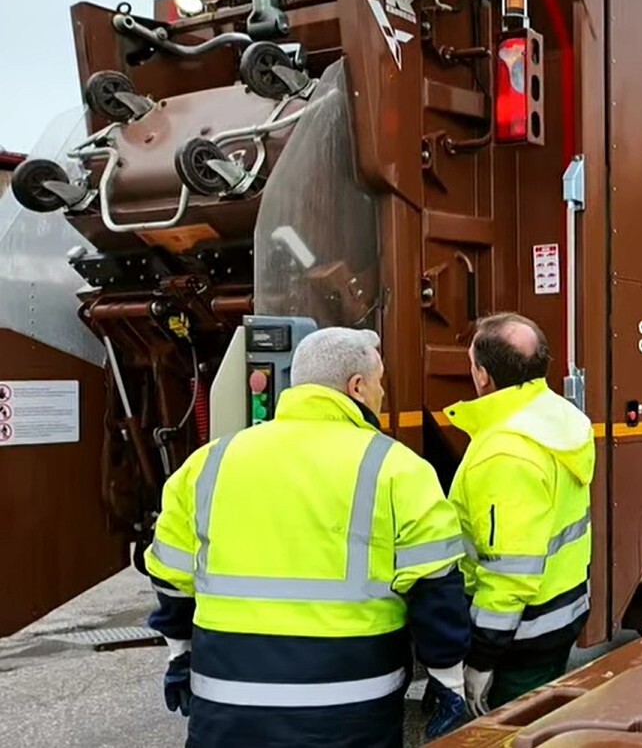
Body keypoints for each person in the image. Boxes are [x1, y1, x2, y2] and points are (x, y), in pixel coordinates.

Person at [144, 327, 472, 747]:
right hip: (351, 711)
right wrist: (448, 681)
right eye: (379, 383)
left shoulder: (209, 462)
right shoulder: (397, 468)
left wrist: (179, 654)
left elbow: (169, 575)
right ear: (357, 387)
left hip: (226, 708)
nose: (382, 395)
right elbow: (435, 585)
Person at [444, 312, 595, 715]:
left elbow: (509, 575)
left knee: (517, 734)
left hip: (521, 638)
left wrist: (480, 660)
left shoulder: (506, 452)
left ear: (483, 377)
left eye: (472, 364)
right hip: (560, 615)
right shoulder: (558, 418)